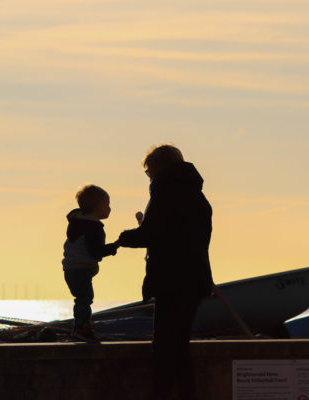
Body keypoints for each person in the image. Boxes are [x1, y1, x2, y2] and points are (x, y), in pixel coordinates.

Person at [117, 144, 213, 400]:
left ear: (160, 167)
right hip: (194, 279)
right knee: (180, 345)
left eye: (148, 170)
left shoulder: (166, 192)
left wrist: (122, 239)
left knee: (164, 346)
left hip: (172, 281)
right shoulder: (196, 196)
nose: (148, 176)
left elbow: (153, 234)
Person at [62, 184, 119, 342]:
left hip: (70, 268)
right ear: (96, 207)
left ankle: (79, 327)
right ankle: (83, 328)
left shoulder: (78, 223)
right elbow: (96, 251)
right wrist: (115, 246)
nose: (109, 208)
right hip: (80, 269)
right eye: (106, 205)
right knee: (85, 298)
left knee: (81, 298)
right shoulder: (93, 227)